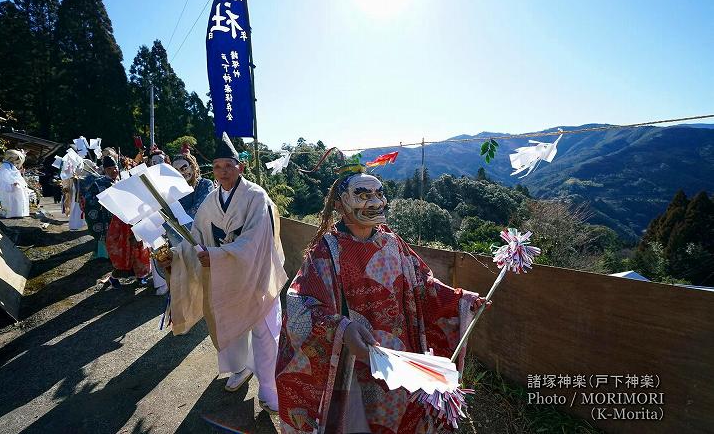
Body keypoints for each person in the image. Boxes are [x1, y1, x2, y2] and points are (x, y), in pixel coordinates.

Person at [275, 167, 489, 433]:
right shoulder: (327, 250)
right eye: (363, 195)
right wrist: (342, 328)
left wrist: (461, 300)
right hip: (353, 358)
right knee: (356, 422)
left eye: (379, 193)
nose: (375, 202)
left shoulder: (392, 243)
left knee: (398, 416)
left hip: (398, 356)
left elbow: (423, 284)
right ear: (341, 204)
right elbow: (300, 304)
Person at [157, 134, 287, 414]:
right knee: (230, 328)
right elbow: (196, 239)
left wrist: (214, 255)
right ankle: (239, 369)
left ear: (240, 167)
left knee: (265, 332)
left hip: (257, 275)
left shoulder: (256, 197)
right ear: (212, 171)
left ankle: (269, 388)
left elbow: (254, 241)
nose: (223, 172)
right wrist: (176, 255)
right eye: (217, 167)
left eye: (228, 165)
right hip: (226, 278)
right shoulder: (211, 201)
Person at [153, 147, 214, 295]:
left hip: (203, 240)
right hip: (179, 245)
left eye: (184, 167)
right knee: (189, 285)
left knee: (208, 283)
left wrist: (169, 219)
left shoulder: (205, 184)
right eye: (176, 170)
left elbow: (197, 212)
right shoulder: (169, 191)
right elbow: (162, 217)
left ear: (192, 166)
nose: (181, 172)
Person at [0, 149, 30, 218]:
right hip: (9, 186)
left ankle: (17, 214)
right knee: (11, 201)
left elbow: (13, 174)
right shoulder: (5, 165)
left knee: (17, 200)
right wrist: (13, 181)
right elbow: (5, 175)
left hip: (14, 186)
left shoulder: (9, 165)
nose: (17, 163)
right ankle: (12, 214)